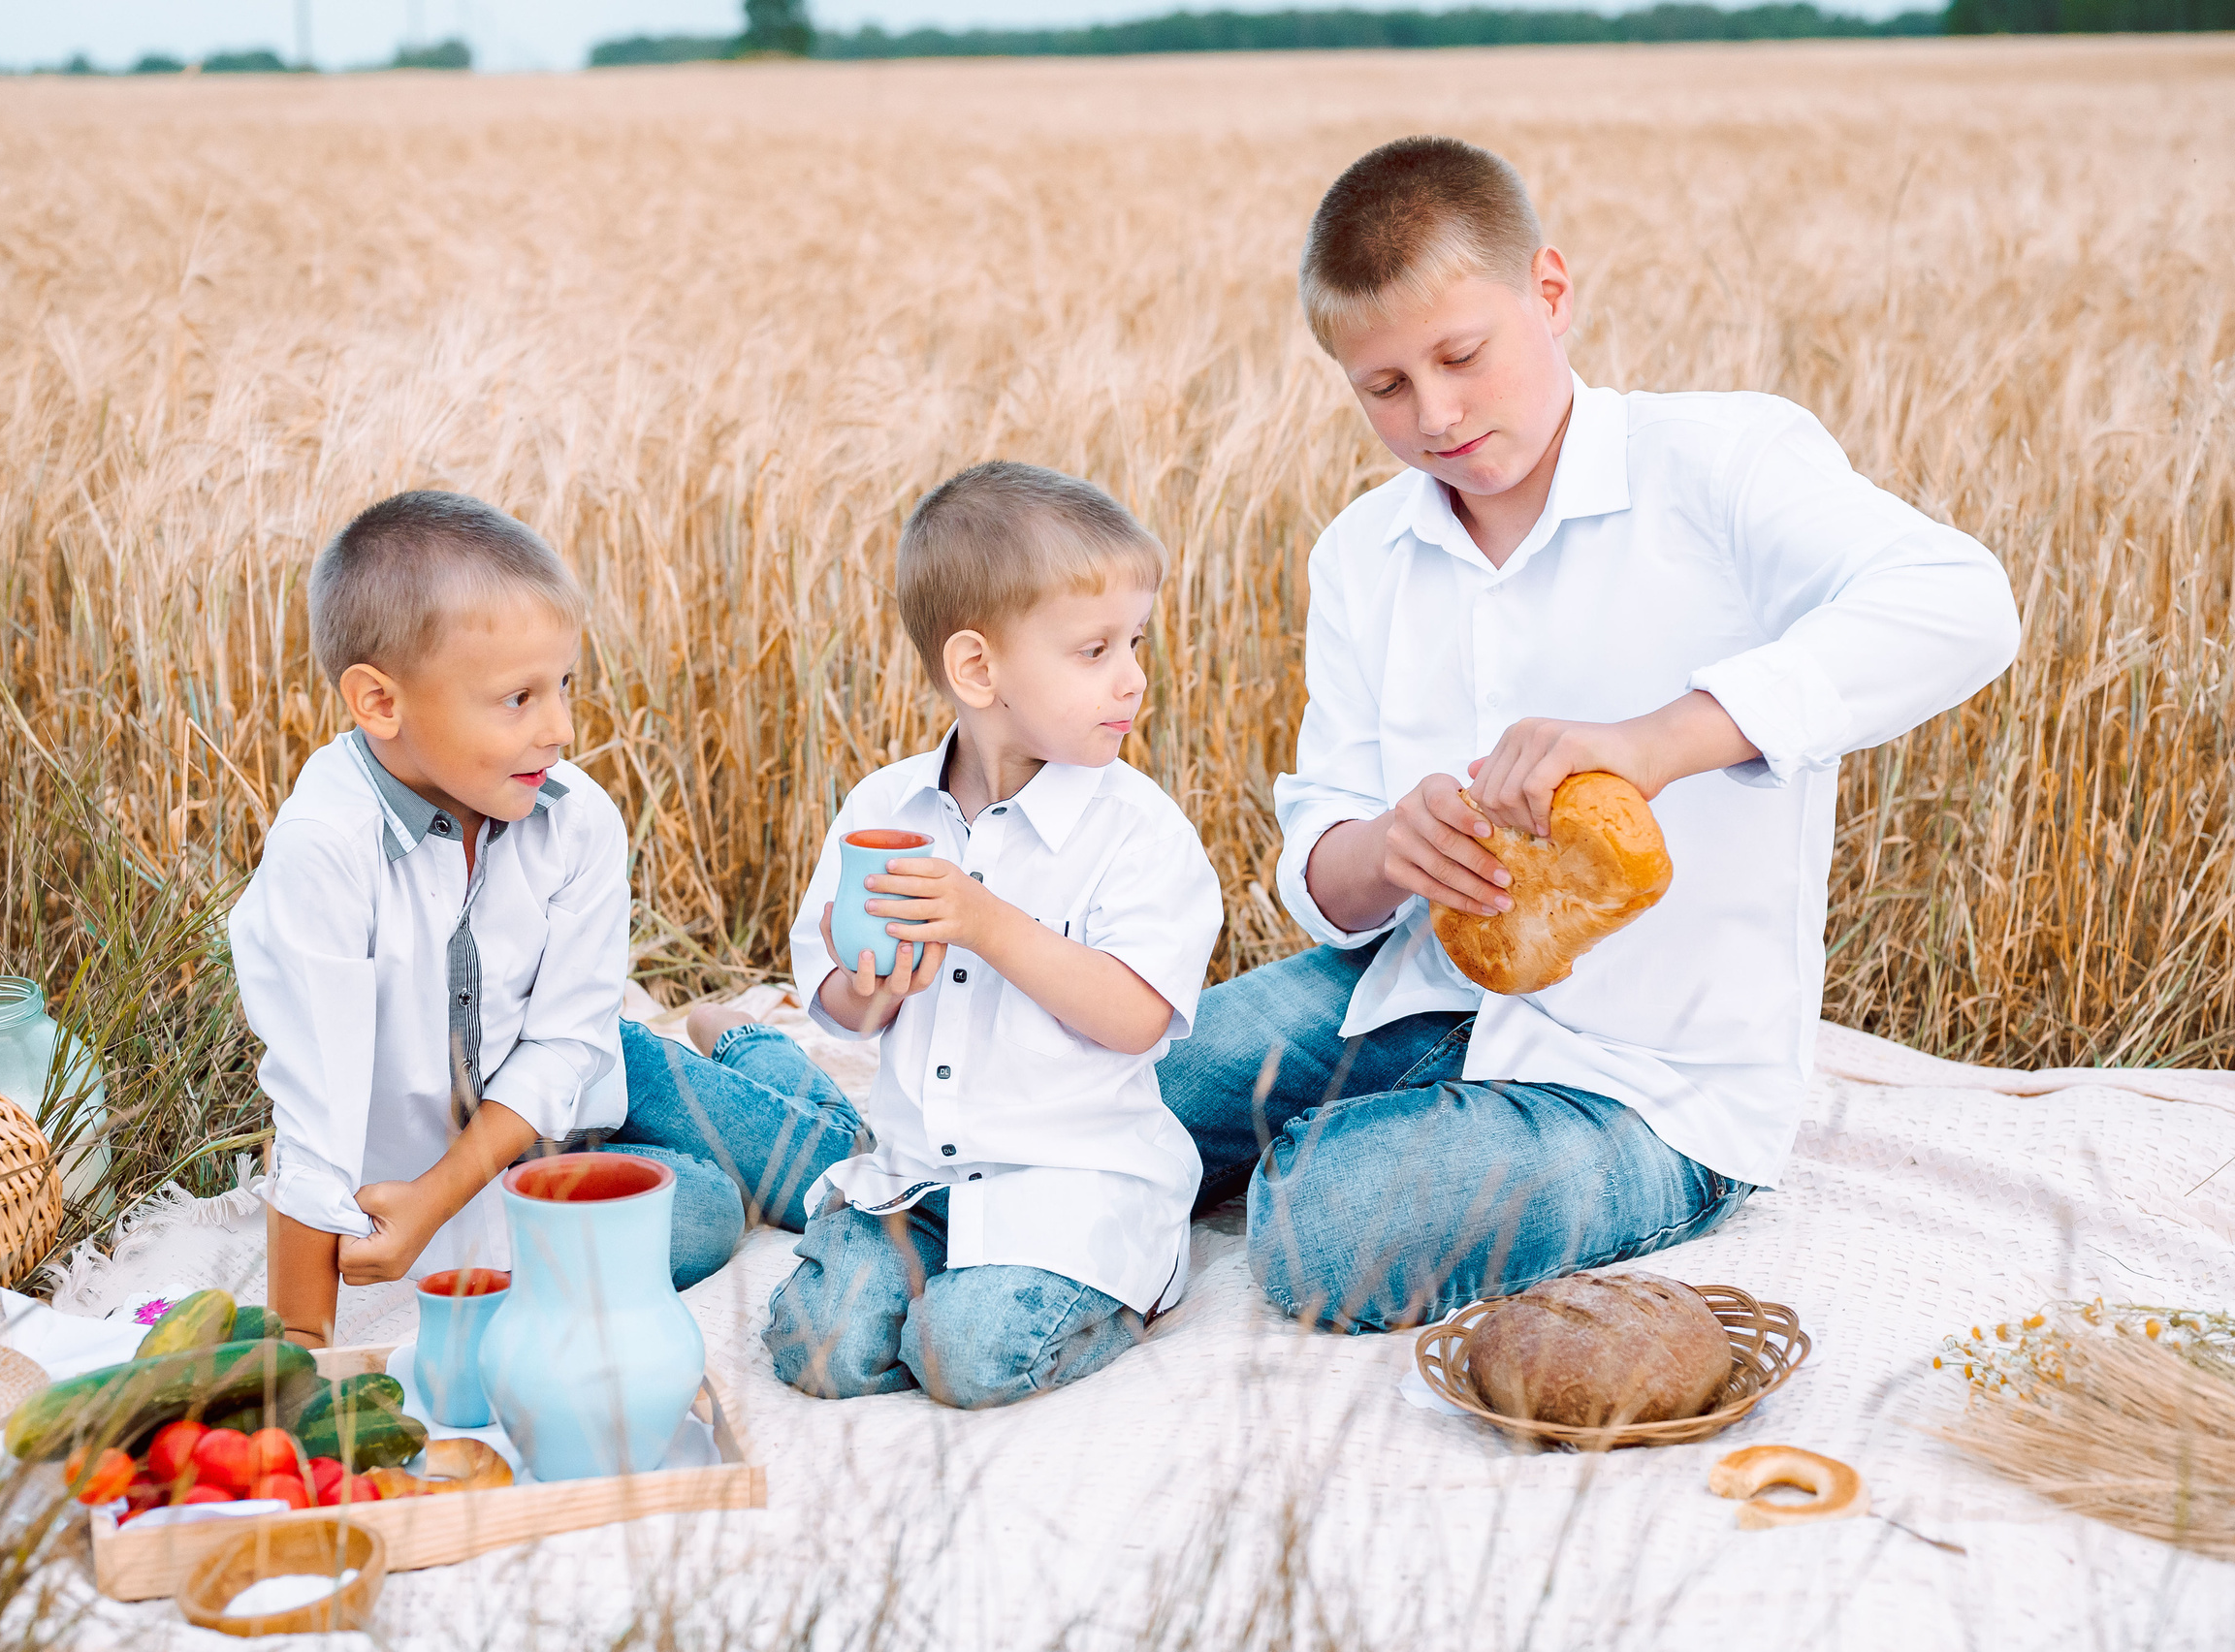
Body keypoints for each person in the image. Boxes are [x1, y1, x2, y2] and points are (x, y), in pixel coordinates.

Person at [1157, 137, 2021, 1333]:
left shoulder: (1723, 459)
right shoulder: (1360, 551)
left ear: (1550, 291)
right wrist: (1388, 848)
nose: (1434, 414)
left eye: (1462, 356)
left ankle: (1362, 1150)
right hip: (1417, 994)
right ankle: (1370, 1128)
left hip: (1658, 1083)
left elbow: (1963, 603)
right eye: (1384, 387)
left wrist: (1660, 741)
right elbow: (1324, 867)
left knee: (1323, 1228)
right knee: (1124, 1093)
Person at [698, 461, 1222, 1408]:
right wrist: (873, 983)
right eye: (1094, 650)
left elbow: (1138, 1016)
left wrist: (986, 924)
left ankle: (1125, 1286)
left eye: (1135, 642)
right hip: (915, 1182)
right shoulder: (885, 810)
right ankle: (923, 1273)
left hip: (1074, 1186)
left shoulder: (1137, 831)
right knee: (818, 1350)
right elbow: (845, 1009)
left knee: (964, 1354)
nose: (1133, 678)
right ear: (978, 669)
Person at [229, 491, 745, 1348]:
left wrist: (436, 1201)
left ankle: (750, 1047)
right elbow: (314, 1113)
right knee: (708, 1210)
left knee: (818, 1163)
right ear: (380, 702)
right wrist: (303, 1353)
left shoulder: (577, 817)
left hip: (583, 1064)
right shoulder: (323, 853)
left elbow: (568, 1044)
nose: (561, 729)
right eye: (518, 699)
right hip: (529, 1137)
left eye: (564, 685)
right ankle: (733, 1059)